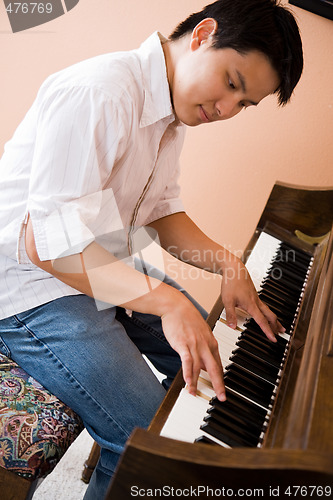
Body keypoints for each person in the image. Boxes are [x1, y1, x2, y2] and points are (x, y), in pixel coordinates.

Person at [0, 0, 303, 498]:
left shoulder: (169, 111)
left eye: (244, 105)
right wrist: (165, 301)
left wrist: (227, 263)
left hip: (95, 265)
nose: (226, 111)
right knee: (145, 447)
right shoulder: (101, 91)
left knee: (209, 360)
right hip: (31, 285)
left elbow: (161, 213)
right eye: (231, 83)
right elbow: (47, 245)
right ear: (204, 34)